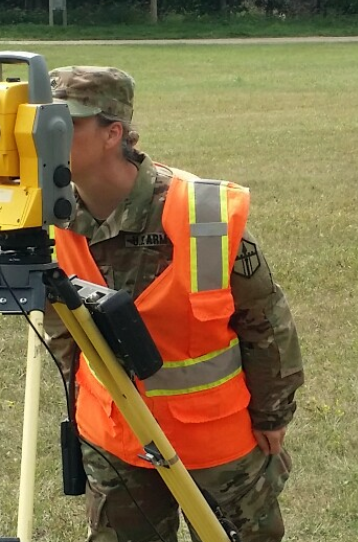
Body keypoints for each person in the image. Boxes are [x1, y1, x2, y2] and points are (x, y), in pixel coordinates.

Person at [45, 65, 304, 542]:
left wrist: (273, 414)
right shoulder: (49, 215)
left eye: (66, 124)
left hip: (215, 444)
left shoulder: (202, 214)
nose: (46, 137)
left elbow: (264, 319)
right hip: (115, 441)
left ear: (112, 133)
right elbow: (63, 335)